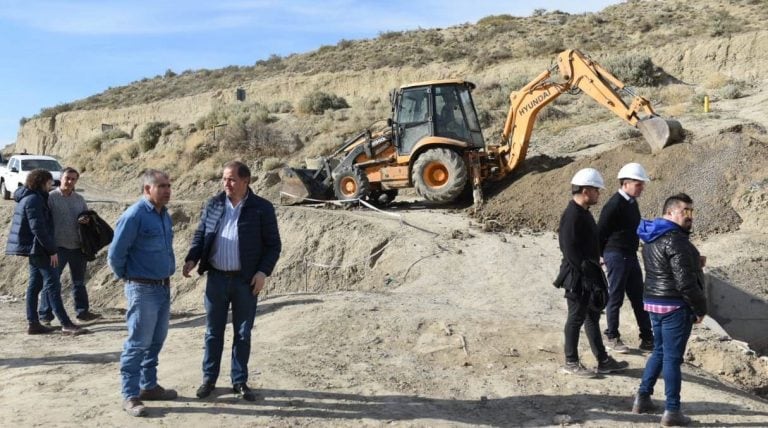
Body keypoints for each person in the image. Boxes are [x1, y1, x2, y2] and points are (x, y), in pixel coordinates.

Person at [183, 161, 281, 402]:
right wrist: (192, 258)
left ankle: (239, 381)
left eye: (231, 179)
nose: (226, 183)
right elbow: (201, 233)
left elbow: (273, 245)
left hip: (246, 282)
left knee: (243, 333)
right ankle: (209, 380)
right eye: (224, 179)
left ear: (245, 181)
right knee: (213, 333)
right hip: (216, 279)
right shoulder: (214, 204)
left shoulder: (261, 208)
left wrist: (262, 273)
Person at [632, 193, 707, 427]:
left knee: (660, 352)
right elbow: (684, 281)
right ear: (670, 212)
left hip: (654, 301)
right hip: (675, 305)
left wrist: (694, 260)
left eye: (691, 212)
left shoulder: (653, 235)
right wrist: (700, 307)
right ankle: (672, 411)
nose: (689, 217)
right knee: (673, 359)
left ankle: (643, 398)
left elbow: (665, 267)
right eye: (685, 211)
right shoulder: (675, 239)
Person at [108, 169, 178, 417]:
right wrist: (130, 279)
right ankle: (130, 394)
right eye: (162, 186)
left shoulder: (163, 214)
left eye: (169, 185)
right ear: (147, 189)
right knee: (137, 344)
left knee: (156, 341)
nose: (168, 190)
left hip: (162, 286)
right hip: (142, 288)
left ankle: (149, 386)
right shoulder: (134, 215)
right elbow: (115, 255)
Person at [555, 168, 628, 378]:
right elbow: (568, 250)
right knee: (576, 318)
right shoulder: (572, 216)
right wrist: (585, 275)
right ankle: (571, 362)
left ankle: (603, 360)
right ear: (586, 191)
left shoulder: (583, 213)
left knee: (591, 317)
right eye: (596, 190)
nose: (599, 194)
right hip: (577, 277)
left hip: (588, 274)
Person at [6, 169, 88, 336]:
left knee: (35, 285)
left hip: (36, 249)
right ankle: (65, 323)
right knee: (52, 285)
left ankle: (34, 323)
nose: (52, 184)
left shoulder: (31, 197)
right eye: (50, 182)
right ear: (42, 181)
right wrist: (52, 250)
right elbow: (38, 228)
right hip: (40, 249)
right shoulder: (34, 199)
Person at [598, 163, 653, 353]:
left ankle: (647, 338)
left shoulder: (631, 202)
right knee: (616, 297)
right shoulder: (614, 204)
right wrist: (599, 255)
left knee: (639, 297)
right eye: (638, 184)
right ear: (625, 183)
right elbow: (600, 231)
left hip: (629, 254)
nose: (642, 188)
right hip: (615, 254)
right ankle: (611, 335)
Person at [39, 167, 102, 323]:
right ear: (60, 178)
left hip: (77, 247)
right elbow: (43, 221)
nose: (70, 181)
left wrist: (85, 220)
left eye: (73, 179)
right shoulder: (50, 197)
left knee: (79, 282)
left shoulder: (79, 199)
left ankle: (82, 313)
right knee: (51, 283)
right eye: (67, 178)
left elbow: (86, 217)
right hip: (56, 248)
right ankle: (45, 315)